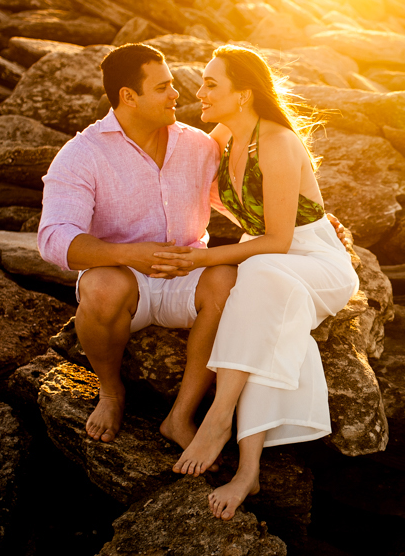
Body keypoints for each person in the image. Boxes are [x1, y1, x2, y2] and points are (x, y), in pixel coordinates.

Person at [151, 44, 358, 521]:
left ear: (243, 95)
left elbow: (280, 239)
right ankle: (249, 469)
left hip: (314, 260)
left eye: (210, 84)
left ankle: (219, 417)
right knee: (266, 304)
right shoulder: (226, 135)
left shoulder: (278, 141)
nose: (197, 92)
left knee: (259, 277)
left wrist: (198, 259)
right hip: (269, 260)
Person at [38, 43, 236, 448]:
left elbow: (241, 205)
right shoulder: (82, 154)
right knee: (101, 287)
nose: (176, 94)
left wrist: (316, 224)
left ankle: (180, 417)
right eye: (163, 87)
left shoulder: (198, 146)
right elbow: (54, 237)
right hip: (126, 283)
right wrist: (130, 255)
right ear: (128, 96)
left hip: (188, 275)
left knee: (230, 282)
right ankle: (111, 392)